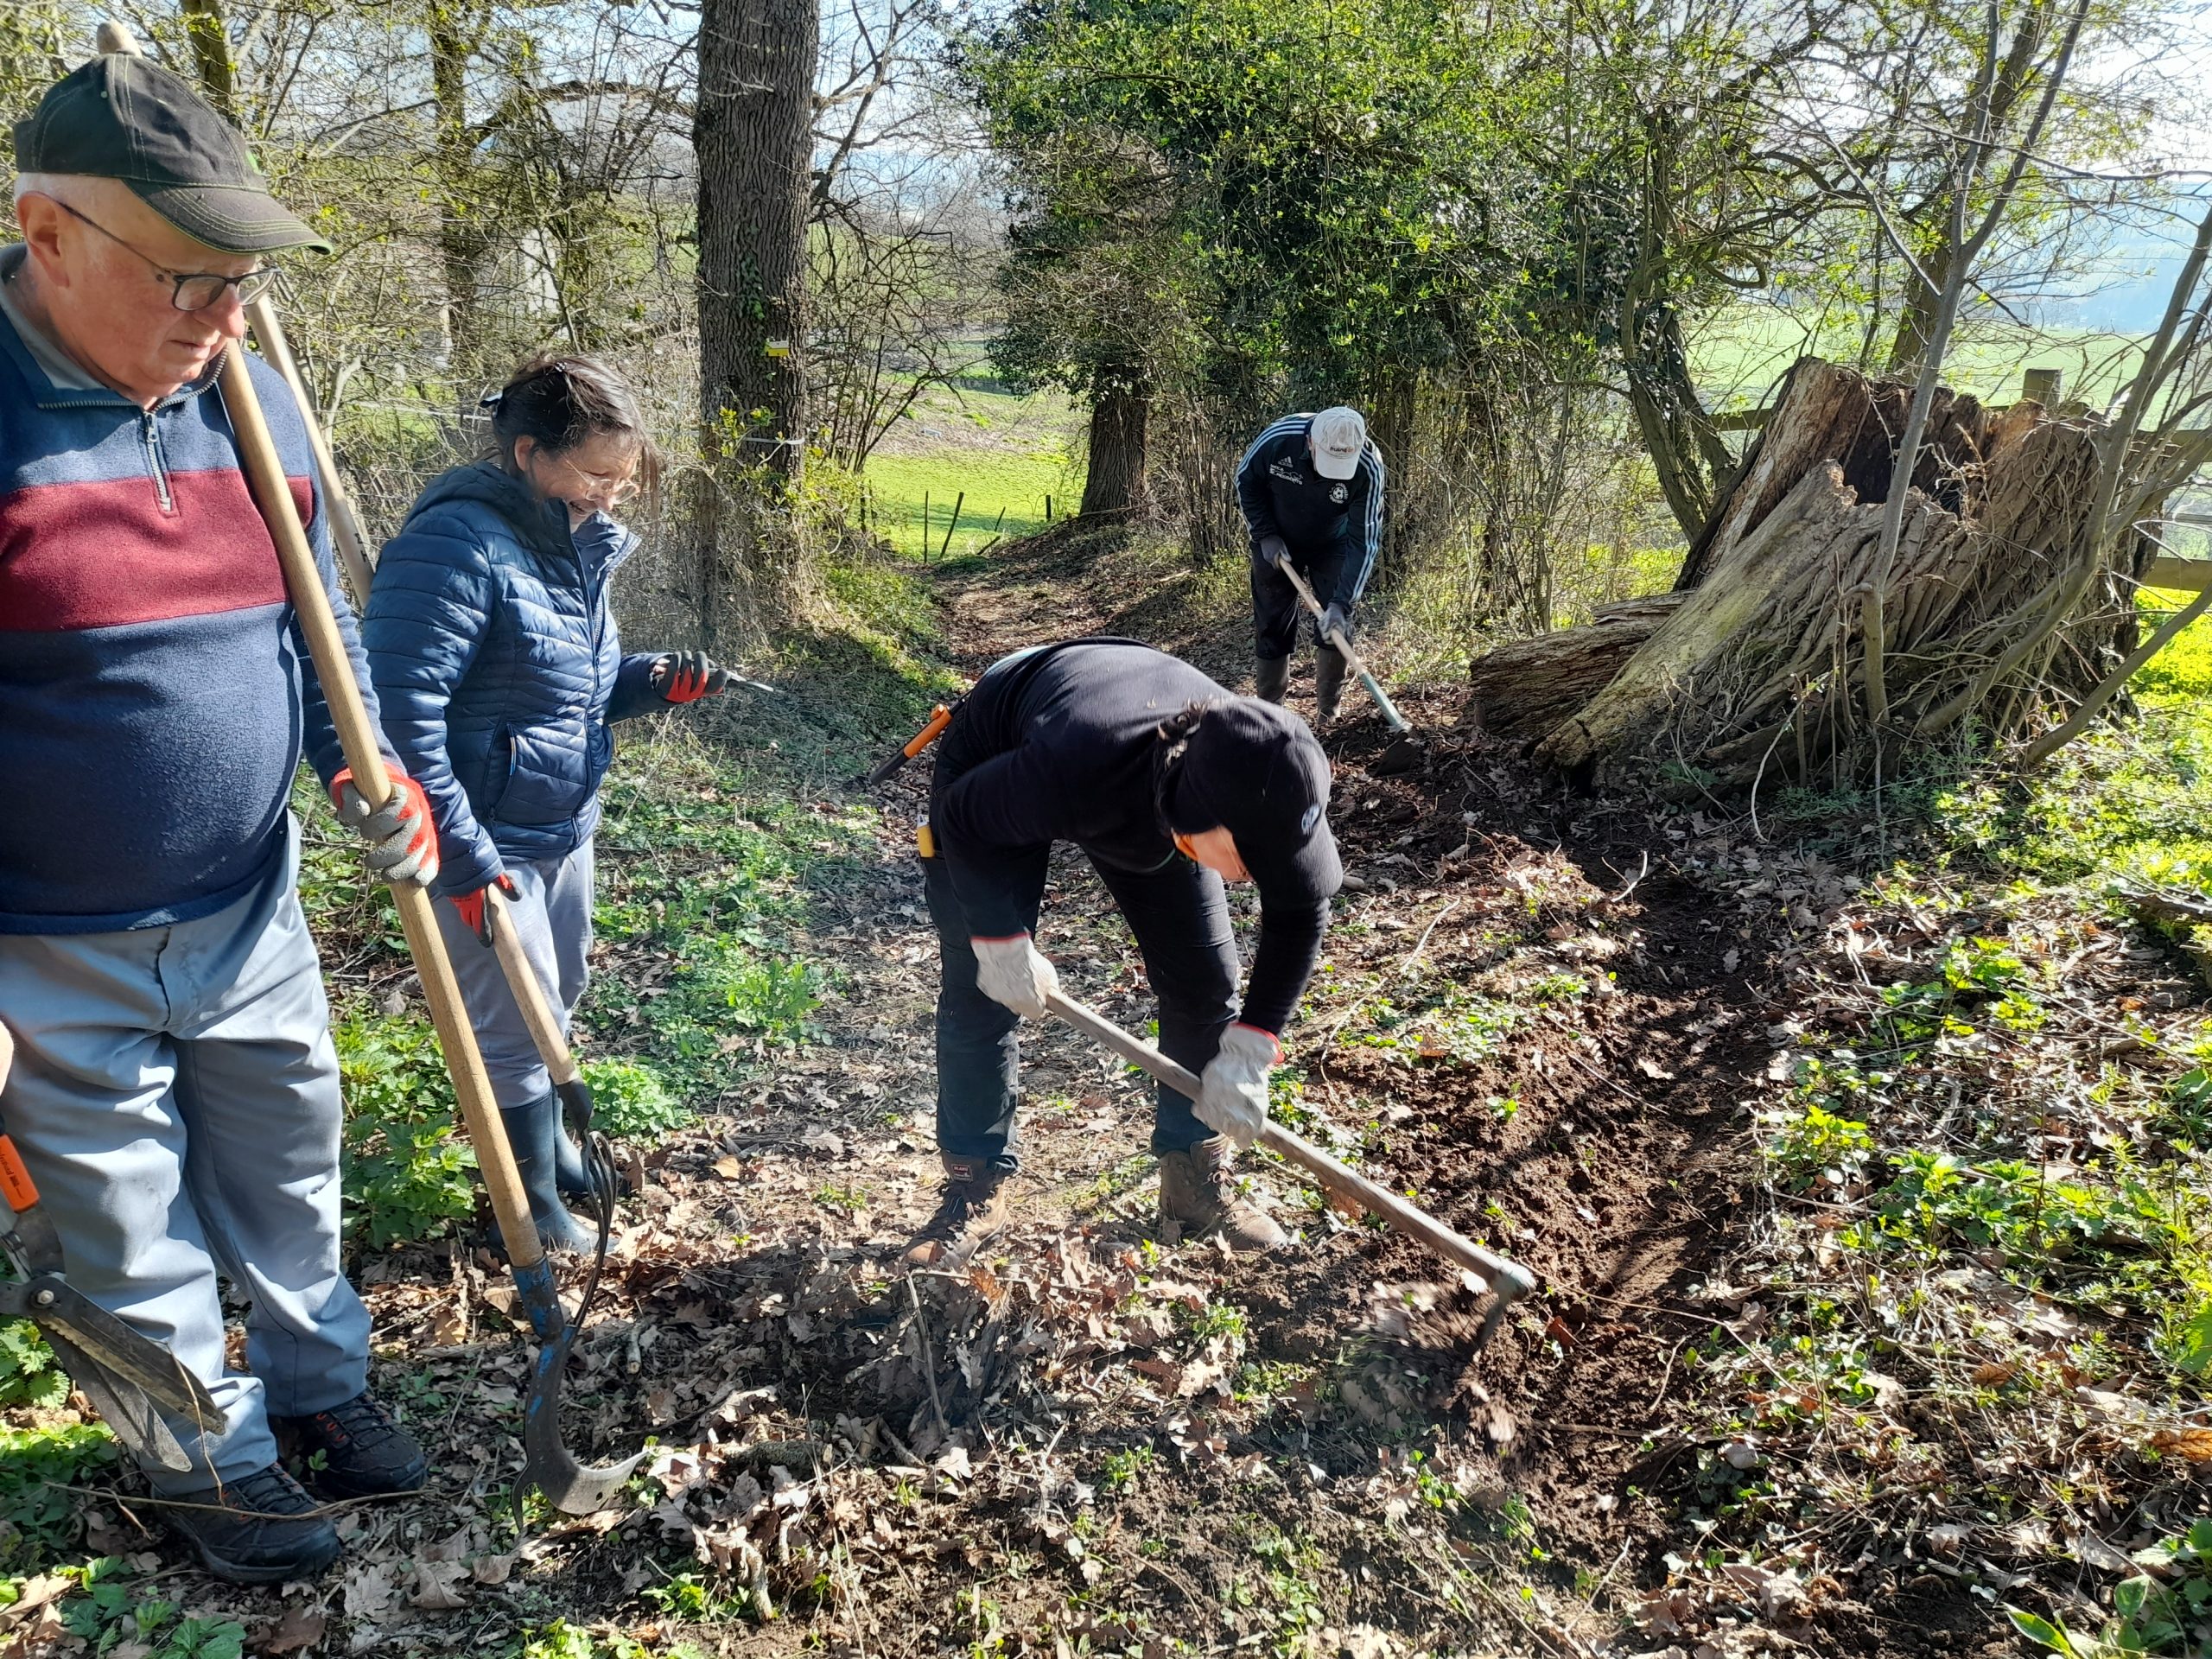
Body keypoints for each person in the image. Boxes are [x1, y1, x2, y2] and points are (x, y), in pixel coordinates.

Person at [0, 54, 443, 1582]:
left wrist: (366, 764)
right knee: (125, 1232)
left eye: (244, 279)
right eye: (189, 278)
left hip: (251, 910)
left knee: (290, 1172)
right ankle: (210, 1464)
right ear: (46, 235)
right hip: (45, 948)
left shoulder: (247, 400)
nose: (226, 318)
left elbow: (315, 622)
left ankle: (320, 1392)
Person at [364, 353, 731, 1252]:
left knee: (556, 992)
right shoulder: (456, 545)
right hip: (482, 835)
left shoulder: (570, 545)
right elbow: (397, 716)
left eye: (622, 477)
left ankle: (555, 1152)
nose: (611, 495)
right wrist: (460, 857)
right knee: (511, 1020)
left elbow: (574, 689)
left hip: (562, 825)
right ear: (529, 452)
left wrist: (652, 682)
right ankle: (525, 1205)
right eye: (595, 475)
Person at [906, 639, 1342, 1267]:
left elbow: (1301, 909)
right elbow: (964, 818)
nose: (1259, 876)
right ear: (1198, 818)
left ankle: (1193, 1179)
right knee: (982, 987)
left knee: (1203, 984)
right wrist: (999, 940)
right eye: (1252, 858)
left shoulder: (1267, 768)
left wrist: (1254, 1042)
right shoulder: (1080, 769)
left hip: (1133, 777)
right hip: (998, 755)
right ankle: (975, 1184)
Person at [1235, 406, 1385, 722]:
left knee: (1337, 624)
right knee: (1272, 621)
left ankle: (1328, 714)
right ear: (1311, 442)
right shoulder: (1279, 440)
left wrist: (1342, 604)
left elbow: (1365, 541)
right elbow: (1246, 481)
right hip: (1276, 539)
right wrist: (1264, 534)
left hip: (1333, 544)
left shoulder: (1369, 466)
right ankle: (1271, 714)